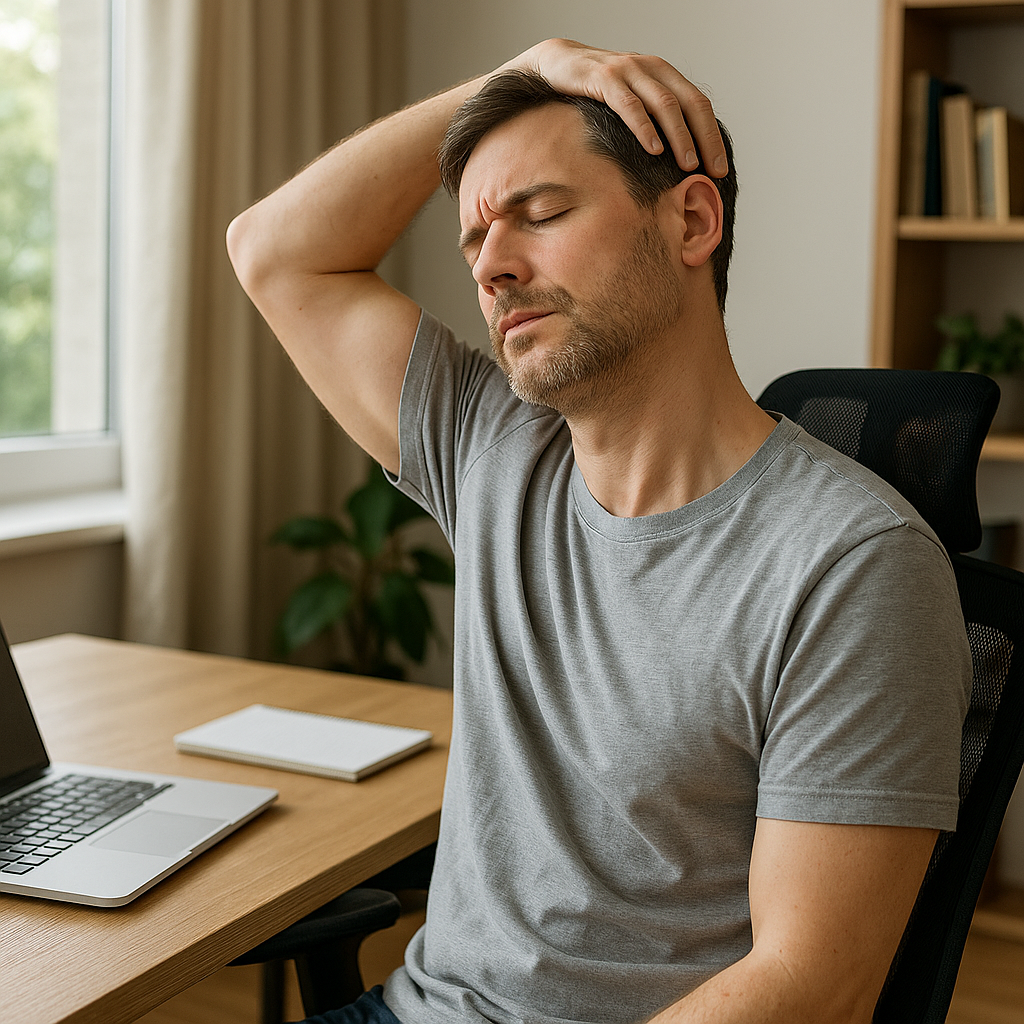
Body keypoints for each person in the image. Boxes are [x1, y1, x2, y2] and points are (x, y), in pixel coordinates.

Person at [227, 39, 971, 1024]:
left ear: (691, 221)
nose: (490, 267)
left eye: (537, 214)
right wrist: (509, 74)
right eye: (474, 241)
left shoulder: (852, 565)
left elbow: (810, 986)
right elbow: (271, 252)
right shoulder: (491, 447)